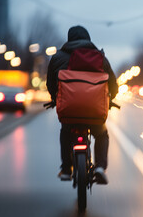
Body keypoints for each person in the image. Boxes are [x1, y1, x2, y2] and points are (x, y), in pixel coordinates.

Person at [46, 25, 118, 184]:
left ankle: (66, 169)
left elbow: (51, 82)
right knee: (101, 134)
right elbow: (112, 83)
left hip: (69, 111)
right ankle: (100, 167)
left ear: (69, 38)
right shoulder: (99, 56)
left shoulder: (58, 57)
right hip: (94, 112)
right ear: (88, 39)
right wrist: (111, 98)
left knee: (65, 133)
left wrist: (54, 97)